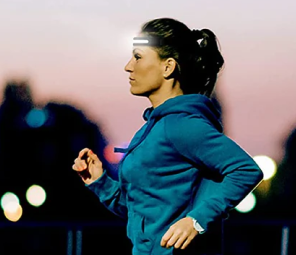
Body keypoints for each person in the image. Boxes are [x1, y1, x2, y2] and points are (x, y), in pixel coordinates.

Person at [72, 17, 263, 255]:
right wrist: (100, 181)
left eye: (138, 57)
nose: (128, 66)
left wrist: (196, 221)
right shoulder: (152, 129)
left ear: (168, 67)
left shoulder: (182, 125)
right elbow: (142, 211)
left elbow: (246, 170)